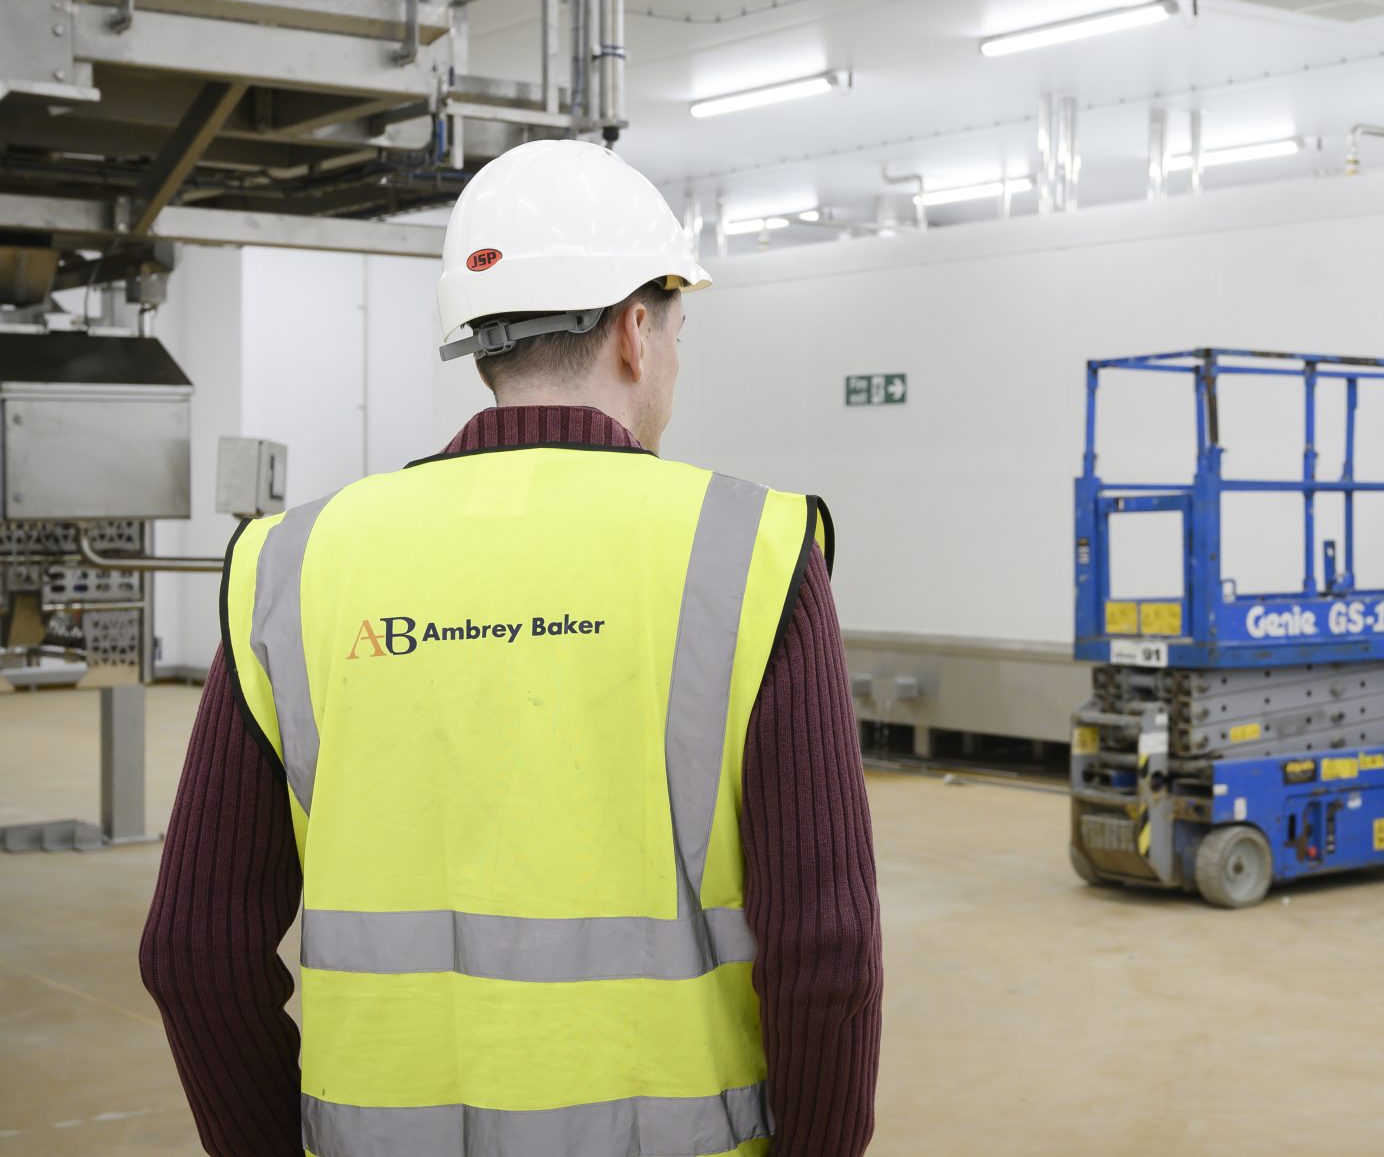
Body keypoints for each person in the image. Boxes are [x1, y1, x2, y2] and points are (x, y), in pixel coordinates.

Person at [140, 139, 882, 1157]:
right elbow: (827, 955)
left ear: (482, 341)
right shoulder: (748, 551)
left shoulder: (298, 563)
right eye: (678, 327)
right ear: (635, 330)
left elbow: (195, 953)